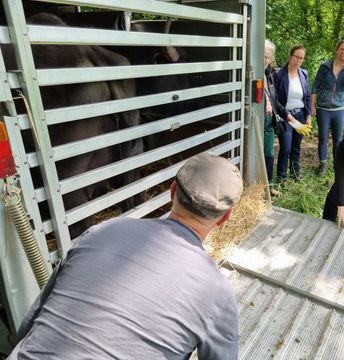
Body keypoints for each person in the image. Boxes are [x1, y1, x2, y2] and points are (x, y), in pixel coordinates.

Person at [8, 153, 243, 360]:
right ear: (225, 219)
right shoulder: (217, 294)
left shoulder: (101, 231)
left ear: (172, 192)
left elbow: (33, 318)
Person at [311, 38, 344, 175]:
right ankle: (323, 165)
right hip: (323, 109)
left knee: (338, 139)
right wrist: (312, 106)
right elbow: (315, 86)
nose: (343, 52)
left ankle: (337, 165)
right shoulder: (325, 66)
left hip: (339, 110)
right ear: (337, 50)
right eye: (341, 49)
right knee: (323, 137)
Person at [274, 44, 312, 181]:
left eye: (302, 58)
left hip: (300, 115)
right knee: (286, 147)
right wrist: (287, 115)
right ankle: (282, 178)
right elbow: (275, 100)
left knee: (296, 147)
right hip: (285, 116)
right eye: (297, 57)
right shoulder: (278, 74)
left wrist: (309, 115)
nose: (299, 61)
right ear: (290, 56)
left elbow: (307, 96)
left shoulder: (304, 74)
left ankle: (295, 174)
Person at [263, 39, 280, 196]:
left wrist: (287, 116)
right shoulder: (250, 75)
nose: (265, 60)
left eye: (268, 57)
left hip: (268, 122)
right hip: (256, 122)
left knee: (269, 155)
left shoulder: (269, 76)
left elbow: (275, 102)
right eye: (263, 56)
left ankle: (268, 187)